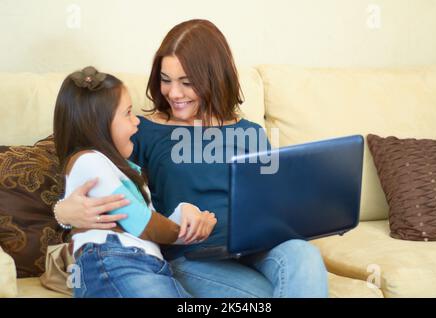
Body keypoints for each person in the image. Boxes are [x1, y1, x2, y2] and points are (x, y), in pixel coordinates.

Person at [55, 19, 328, 298]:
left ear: (214, 78)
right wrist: (63, 213)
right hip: (192, 255)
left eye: (187, 82)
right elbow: (96, 175)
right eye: (165, 80)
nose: (174, 93)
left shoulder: (250, 133)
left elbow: (275, 204)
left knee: (305, 255)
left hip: (260, 247)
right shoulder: (142, 130)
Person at [53, 66, 216, 297]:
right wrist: (181, 230)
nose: (137, 121)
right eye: (128, 113)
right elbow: (142, 223)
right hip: (116, 260)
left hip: (146, 264)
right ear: (98, 124)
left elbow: (141, 224)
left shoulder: (124, 168)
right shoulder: (89, 161)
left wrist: (185, 214)